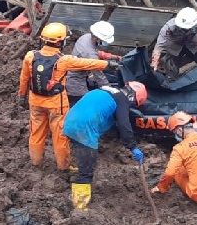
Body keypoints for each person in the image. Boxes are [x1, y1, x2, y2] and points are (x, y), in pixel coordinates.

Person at [17, 22, 121, 173]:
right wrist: (107, 64)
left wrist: (22, 97)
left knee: (36, 133)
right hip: (56, 105)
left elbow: (24, 78)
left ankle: (36, 162)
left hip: (35, 102)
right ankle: (63, 167)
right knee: (60, 136)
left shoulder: (30, 56)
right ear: (60, 42)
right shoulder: (63, 60)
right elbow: (87, 63)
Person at [62, 81, 148, 211]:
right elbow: (124, 124)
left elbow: (107, 117)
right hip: (84, 128)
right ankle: (79, 206)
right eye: (133, 104)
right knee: (87, 171)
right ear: (132, 97)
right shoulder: (122, 99)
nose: (129, 107)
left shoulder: (106, 90)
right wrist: (133, 147)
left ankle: (77, 171)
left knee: (82, 155)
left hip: (70, 122)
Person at [66, 21, 122, 106]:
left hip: (78, 74)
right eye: (104, 40)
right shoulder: (88, 53)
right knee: (84, 105)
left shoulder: (86, 37)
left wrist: (111, 56)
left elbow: (95, 52)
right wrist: (111, 91)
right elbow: (99, 75)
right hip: (76, 83)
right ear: (97, 38)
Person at [150, 7, 197, 78]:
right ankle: (171, 79)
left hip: (192, 44)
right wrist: (154, 62)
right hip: (175, 46)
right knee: (171, 69)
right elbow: (159, 46)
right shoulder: (169, 27)